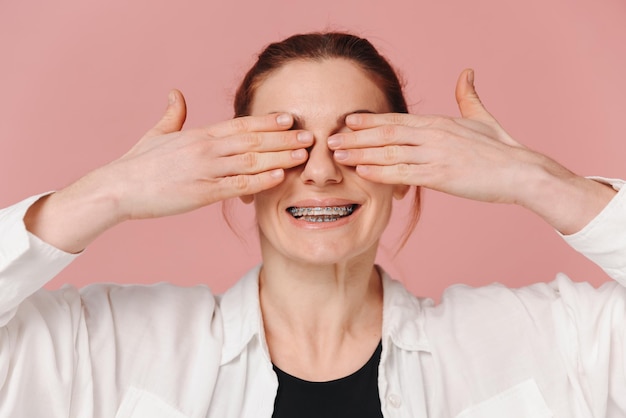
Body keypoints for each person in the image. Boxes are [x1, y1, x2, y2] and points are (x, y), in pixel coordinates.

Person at [0, 31, 624, 418]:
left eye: (356, 141)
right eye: (287, 143)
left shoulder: (550, 342)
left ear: (408, 167)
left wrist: (537, 180)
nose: (321, 172)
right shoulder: (101, 349)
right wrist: (108, 193)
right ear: (238, 175)